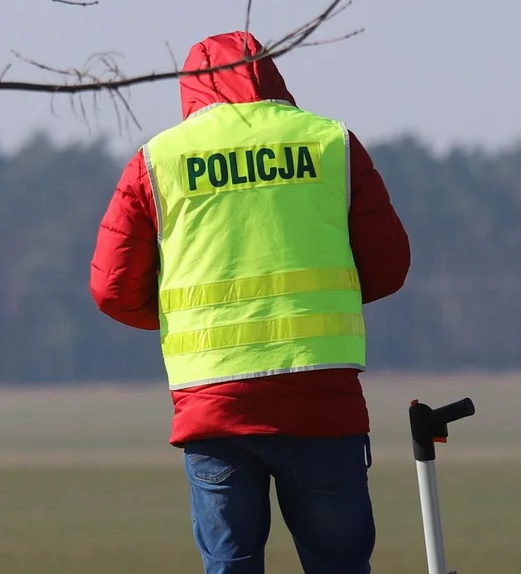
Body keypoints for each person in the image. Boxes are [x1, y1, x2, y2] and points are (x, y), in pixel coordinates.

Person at [88, 30, 411, 574]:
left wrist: (185, 321)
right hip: (320, 397)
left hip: (213, 405)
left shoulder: (157, 160)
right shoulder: (331, 142)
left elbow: (112, 287)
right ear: (270, 73)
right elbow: (388, 265)